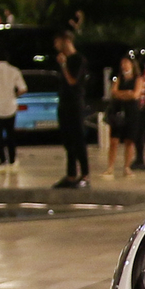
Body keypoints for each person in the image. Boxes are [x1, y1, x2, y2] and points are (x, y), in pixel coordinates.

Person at [51, 29, 91, 187]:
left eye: (58, 42)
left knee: (78, 138)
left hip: (75, 103)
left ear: (66, 41)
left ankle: (85, 174)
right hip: (64, 102)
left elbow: (73, 81)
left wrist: (63, 65)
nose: (56, 46)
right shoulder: (66, 60)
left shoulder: (77, 60)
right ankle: (71, 174)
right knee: (68, 140)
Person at [104, 50, 140, 177]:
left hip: (132, 112)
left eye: (127, 63)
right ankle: (110, 167)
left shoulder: (138, 78)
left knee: (129, 141)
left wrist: (123, 94)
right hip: (118, 111)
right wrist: (127, 93)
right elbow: (114, 92)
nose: (124, 65)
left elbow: (136, 94)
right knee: (114, 141)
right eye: (123, 63)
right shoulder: (119, 78)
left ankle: (127, 167)